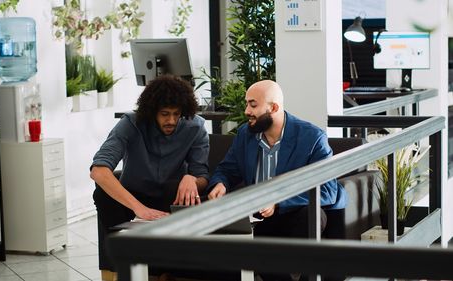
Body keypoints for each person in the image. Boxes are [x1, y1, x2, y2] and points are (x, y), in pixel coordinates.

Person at [90, 75, 210, 274]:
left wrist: (192, 179)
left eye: (176, 114)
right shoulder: (131, 123)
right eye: (164, 114)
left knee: (179, 190)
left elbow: (203, 177)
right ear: (152, 111)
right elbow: (98, 171)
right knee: (102, 193)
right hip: (131, 201)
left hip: (168, 200)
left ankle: (159, 270)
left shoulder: (195, 127)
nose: (171, 120)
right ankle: (126, 261)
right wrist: (139, 208)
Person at [208, 79, 347, 241]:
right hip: (258, 213)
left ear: (273, 108)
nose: (246, 111)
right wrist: (221, 183)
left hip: (295, 210)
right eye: (247, 104)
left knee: (307, 215)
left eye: (253, 105)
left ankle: (298, 266)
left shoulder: (312, 137)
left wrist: (278, 201)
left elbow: (328, 191)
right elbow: (227, 170)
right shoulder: (245, 134)